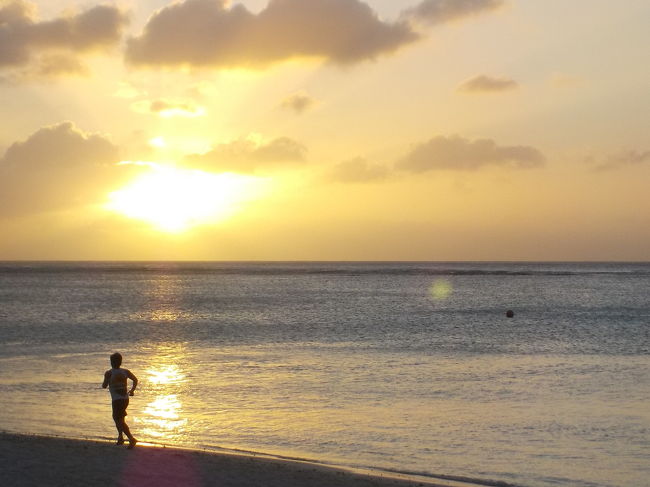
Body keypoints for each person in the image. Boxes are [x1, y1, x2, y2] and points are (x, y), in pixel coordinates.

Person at [102, 352, 138, 448]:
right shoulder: (125, 371)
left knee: (118, 420)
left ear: (111, 362)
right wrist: (132, 390)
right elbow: (135, 380)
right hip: (125, 399)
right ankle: (120, 437)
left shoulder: (109, 373)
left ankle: (131, 439)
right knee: (119, 418)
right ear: (120, 362)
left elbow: (104, 386)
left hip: (117, 400)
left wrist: (107, 380)